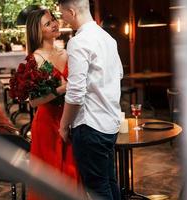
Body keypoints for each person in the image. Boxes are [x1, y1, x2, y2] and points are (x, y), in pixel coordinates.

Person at [58, 0, 123, 199]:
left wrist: (63, 125)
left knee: (97, 189)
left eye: (62, 14)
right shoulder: (108, 38)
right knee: (109, 181)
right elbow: (118, 74)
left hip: (90, 126)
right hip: (111, 124)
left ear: (71, 11)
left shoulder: (78, 42)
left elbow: (76, 92)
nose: (62, 18)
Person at [25, 9, 81, 200]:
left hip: (69, 120)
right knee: (50, 181)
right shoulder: (35, 59)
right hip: (47, 125)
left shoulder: (67, 52)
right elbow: (33, 101)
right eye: (48, 23)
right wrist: (61, 89)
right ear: (37, 31)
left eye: (54, 19)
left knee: (70, 175)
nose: (55, 24)